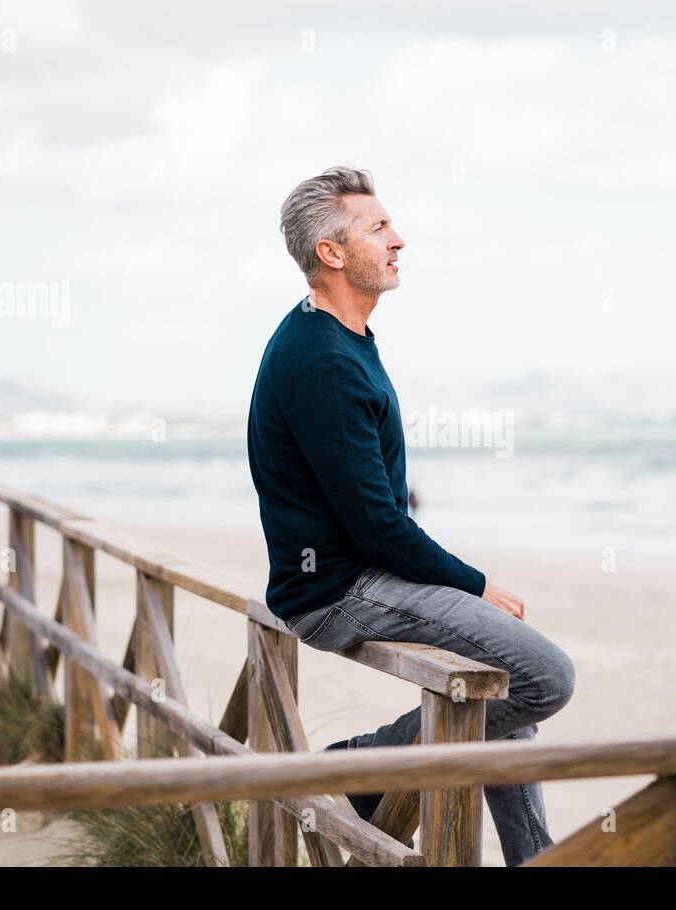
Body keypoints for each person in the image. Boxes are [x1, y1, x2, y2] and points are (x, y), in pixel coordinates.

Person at [246, 165, 575, 866]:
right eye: (379, 227)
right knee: (548, 676)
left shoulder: (333, 331)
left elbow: (373, 514)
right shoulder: (325, 361)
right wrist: (475, 583)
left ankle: (534, 858)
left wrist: (460, 587)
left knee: (501, 673)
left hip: (356, 571)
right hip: (337, 590)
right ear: (331, 253)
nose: (400, 239)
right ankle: (360, 768)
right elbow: (377, 527)